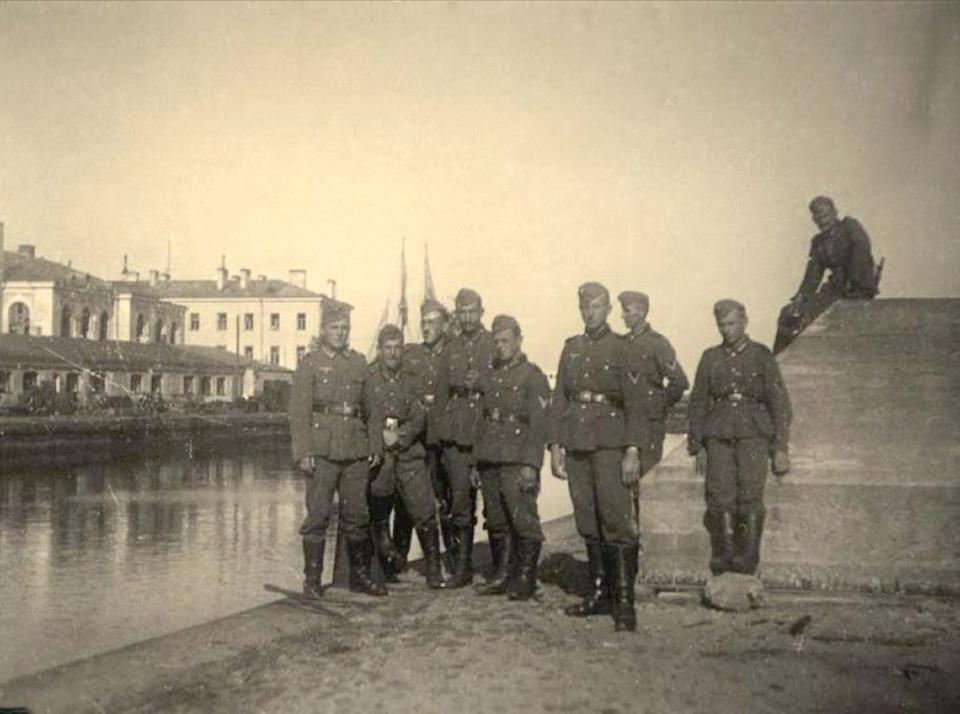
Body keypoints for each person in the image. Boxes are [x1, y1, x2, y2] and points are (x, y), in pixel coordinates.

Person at [549, 282, 647, 632]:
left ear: (608, 310)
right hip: (577, 444)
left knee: (616, 522)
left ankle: (624, 602)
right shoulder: (571, 348)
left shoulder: (623, 348)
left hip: (609, 444)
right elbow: (560, 399)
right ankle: (599, 593)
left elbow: (636, 404)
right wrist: (555, 445)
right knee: (588, 521)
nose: (590, 313)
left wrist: (632, 450)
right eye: (585, 307)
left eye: (596, 306)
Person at [289, 300, 386, 598]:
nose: (341, 333)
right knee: (318, 516)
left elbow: (373, 410)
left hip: (355, 451)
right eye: (335, 328)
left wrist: (375, 446)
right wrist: (303, 452)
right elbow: (299, 413)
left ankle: (359, 577)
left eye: (345, 328)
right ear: (323, 330)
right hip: (322, 452)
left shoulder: (358, 364)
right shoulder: (309, 365)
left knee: (358, 515)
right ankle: (312, 581)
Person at [688, 300, 792, 577]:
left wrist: (780, 446)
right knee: (719, 494)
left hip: (753, 433)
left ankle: (748, 557)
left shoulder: (761, 355)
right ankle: (724, 554)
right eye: (722, 325)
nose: (727, 330)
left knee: (750, 493)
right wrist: (697, 444)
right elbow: (698, 402)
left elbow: (779, 402)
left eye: (732, 324)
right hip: (719, 433)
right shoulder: (710, 357)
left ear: (745, 322)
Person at [471, 315, 551, 600]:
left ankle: (525, 577)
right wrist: (476, 462)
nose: (501, 346)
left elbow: (539, 426)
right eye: (496, 341)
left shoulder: (532, 376)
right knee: (496, 518)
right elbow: (481, 420)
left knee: (523, 517)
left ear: (519, 340)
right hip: (490, 456)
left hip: (517, 457)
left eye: (506, 340)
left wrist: (531, 464)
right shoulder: (490, 376)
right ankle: (502, 574)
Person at [364, 324, 446, 589]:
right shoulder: (369, 379)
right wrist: (380, 437)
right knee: (379, 506)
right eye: (387, 348)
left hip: (409, 453)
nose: (392, 353)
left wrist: (400, 436)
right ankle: (386, 565)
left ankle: (433, 568)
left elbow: (419, 417)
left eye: (397, 348)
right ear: (380, 350)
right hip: (380, 454)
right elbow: (363, 415)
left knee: (423, 509)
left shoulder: (412, 380)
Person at [436, 288, 496, 588]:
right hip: (458, 433)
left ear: (481, 312)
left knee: (495, 503)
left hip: (488, 430)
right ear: (456, 315)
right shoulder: (450, 349)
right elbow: (441, 395)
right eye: (463, 312)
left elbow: (507, 384)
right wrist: (438, 438)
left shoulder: (494, 344)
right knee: (460, 503)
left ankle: (502, 567)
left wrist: (483, 382)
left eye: (473, 311)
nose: (468, 317)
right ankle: (463, 566)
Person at [774, 196, 880, 354]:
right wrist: (801, 297)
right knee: (789, 313)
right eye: (818, 217)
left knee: (821, 316)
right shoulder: (818, 242)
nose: (822, 221)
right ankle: (779, 359)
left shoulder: (850, 227)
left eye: (825, 215)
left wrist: (854, 281)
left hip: (857, 286)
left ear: (835, 212)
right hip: (834, 287)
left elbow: (861, 252)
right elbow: (813, 274)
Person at [393, 299, 453, 572]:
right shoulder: (412, 354)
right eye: (424, 323)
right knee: (406, 498)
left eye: (432, 323)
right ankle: (399, 558)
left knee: (446, 495)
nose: (426, 328)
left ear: (445, 325)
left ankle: (451, 556)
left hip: (443, 437)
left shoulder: (454, 353)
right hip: (416, 438)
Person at [618, 291, 689, 474]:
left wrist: (657, 404)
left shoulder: (657, 343)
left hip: (650, 426)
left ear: (641, 312)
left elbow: (679, 381)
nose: (622, 315)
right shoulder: (621, 344)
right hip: (622, 423)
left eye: (627, 311)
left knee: (645, 477)